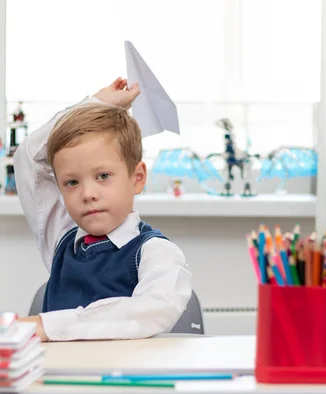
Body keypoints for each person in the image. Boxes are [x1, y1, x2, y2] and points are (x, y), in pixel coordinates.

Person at [14, 78, 192, 342]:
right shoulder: (61, 242)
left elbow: (152, 310)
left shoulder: (156, 252)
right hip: (60, 379)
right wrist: (95, 105)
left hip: (122, 380)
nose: (87, 194)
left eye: (103, 176)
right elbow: (28, 157)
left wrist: (50, 326)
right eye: (71, 182)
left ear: (138, 177)